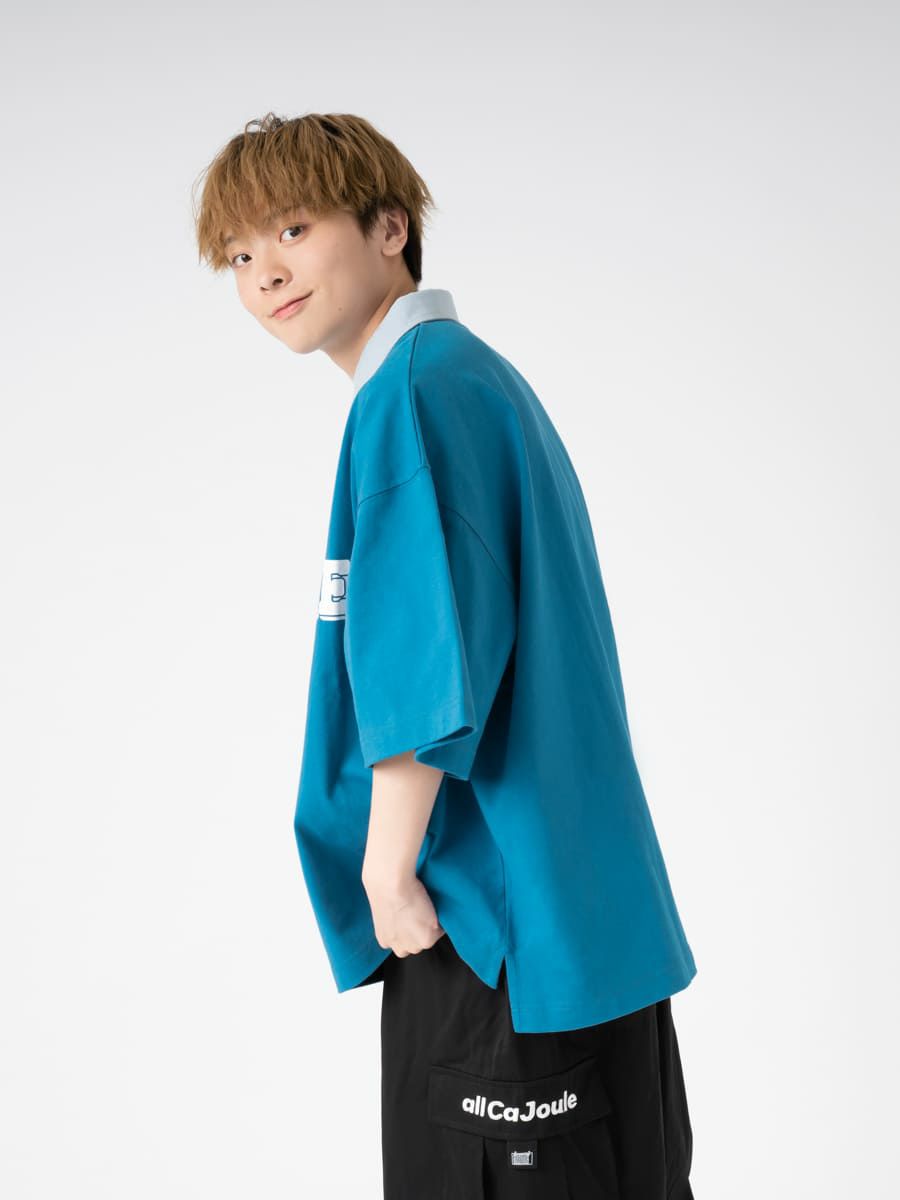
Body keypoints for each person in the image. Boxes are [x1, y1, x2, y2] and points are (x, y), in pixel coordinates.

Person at [193, 110, 698, 1199]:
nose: (264, 271)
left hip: (489, 936)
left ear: (390, 227)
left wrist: (385, 868)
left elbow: (429, 664)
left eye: (292, 229)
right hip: (570, 934)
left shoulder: (414, 395)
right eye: (237, 254)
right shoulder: (467, 378)